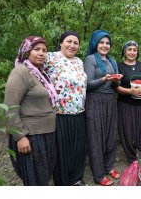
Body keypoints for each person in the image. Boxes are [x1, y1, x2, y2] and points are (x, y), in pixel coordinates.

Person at [5, 36, 57, 186]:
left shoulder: (40, 74)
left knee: (44, 177)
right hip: (31, 136)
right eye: (37, 49)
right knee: (34, 180)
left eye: (44, 50)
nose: (41, 53)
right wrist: (20, 136)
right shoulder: (20, 73)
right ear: (26, 51)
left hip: (46, 133)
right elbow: (10, 106)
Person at [45, 31, 87, 186]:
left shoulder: (79, 62)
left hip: (79, 111)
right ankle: (62, 183)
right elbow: (31, 70)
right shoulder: (51, 57)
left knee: (77, 148)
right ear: (61, 43)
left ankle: (76, 179)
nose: (72, 45)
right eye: (69, 41)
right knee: (62, 150)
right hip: (59, 112)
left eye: (76, 43)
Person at [84, 30, 122, 186]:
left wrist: (117, 80)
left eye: (107, 43)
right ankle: (99, 174)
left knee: (110, 134)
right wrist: (104, 79)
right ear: (95, 43)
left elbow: (116, 84)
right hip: (95, 100)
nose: (105, 45)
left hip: (110, 100)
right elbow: (87, 84)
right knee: (96, 137)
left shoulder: (112, 61)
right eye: (101, 42)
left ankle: (108, 166)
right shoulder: (90, 59)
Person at [116, 40, 141, 164]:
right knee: (128, 132)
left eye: (135, 50)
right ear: (124, 51)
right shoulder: (119, 66)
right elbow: (116, 87)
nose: (132, 52)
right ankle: (132, 158)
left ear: (137, 52)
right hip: (126, 104)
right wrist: (130, 91)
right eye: (129, 49)